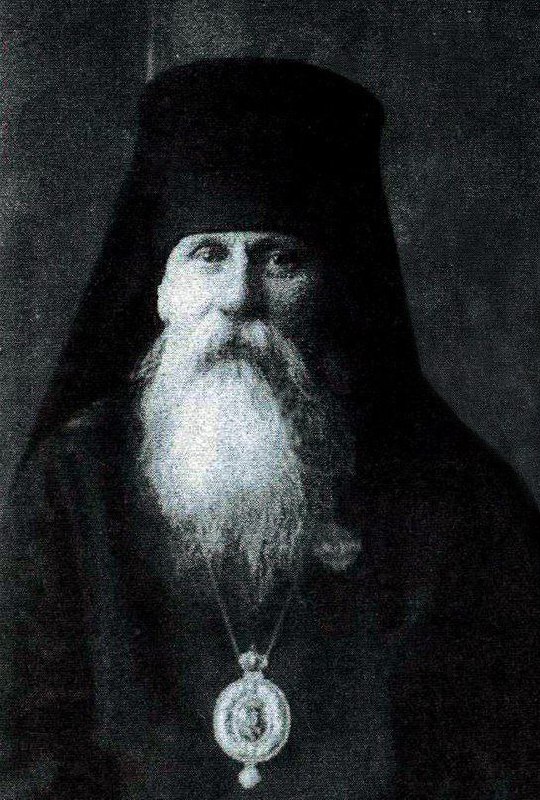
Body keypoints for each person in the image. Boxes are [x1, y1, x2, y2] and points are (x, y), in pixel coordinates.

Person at [1, 58, 539, 800]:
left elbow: (502, 763)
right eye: (208, 255)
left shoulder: (458, 501)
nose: (238, 297)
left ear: (331, 287)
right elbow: (24, 756)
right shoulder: (70, 485)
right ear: (161, 289)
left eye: (280, 260)